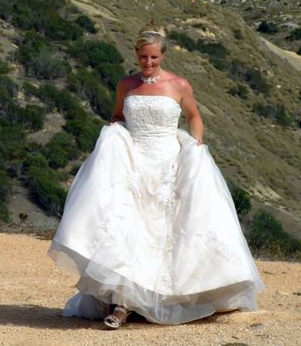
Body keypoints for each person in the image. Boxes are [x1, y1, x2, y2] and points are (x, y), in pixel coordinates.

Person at [48, 25, 264, 329]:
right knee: (126, 229)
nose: (147, 62)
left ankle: (164, 298)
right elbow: (118, 116)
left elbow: (194, 117)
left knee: (167, 233)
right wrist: (111, 135)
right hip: (132, 164)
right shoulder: (127, 84)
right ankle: (121, 303)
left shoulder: (179, 85)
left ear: (162, 55)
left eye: (153, 57)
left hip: (168, 163)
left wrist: (196, 145)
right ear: (136, 55)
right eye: (142, 56)